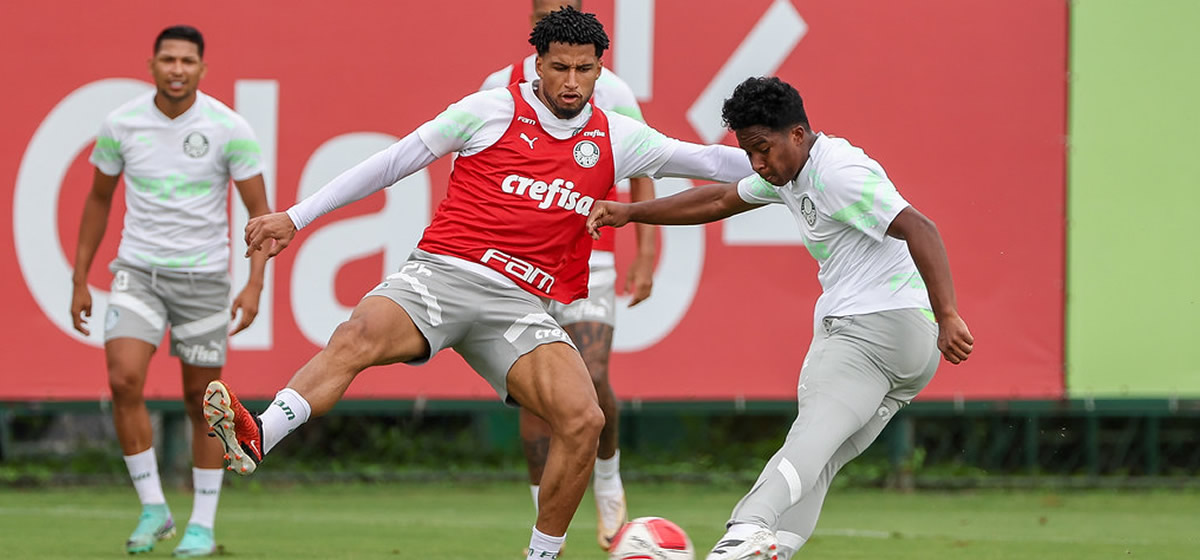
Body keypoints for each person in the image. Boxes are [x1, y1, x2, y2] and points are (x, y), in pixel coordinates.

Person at [202, 7, 751, 559]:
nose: (570, 81)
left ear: (598, 72)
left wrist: (799, 161)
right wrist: (295, 219)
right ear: (536, 63)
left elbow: (709, 161)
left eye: (584, 70)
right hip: (442, 276)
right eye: (559, 67)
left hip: (517, 307)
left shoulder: (618, 136)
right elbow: (392, 162)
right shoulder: (489, 109)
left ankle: (541, 555)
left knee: (584, 419)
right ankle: (261, 433)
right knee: (357, 335)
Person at [586, 76, 975, 560]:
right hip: (910, 351)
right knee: (820, 463)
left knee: (807, 441)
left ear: (797, 133)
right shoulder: (794, 172)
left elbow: (921, 227)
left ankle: (744, 532)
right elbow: (719, 199)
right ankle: (772, 549)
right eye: (749, 153)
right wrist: (633, 212)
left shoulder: (836, 172)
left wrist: (950, 314)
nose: (757, 164)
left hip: (869, 330)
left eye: (762, 149)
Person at [69, 25, 270, 557]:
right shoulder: (121, 123)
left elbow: (260, 214)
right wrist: (79, 277)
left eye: (187, 61)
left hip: (203, 281)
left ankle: (201, 523)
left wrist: (254, 284)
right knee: (123, 378)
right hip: (136, 273)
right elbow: (97, 200)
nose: (177, 69)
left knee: (202, 401)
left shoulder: (230, 128)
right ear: (152, 65)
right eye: (167, 60)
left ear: (202, 69)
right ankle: (154, 508)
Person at [479, 0, 656, 548]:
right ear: (531, 24)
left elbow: (644, 165)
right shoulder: (499, 85)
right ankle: (544, 517)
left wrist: (646, 252)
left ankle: (608, 481)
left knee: (592, 375)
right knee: (538, 396)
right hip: (519, 264)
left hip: (589, 261)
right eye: (539, 17)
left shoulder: (614, 91)